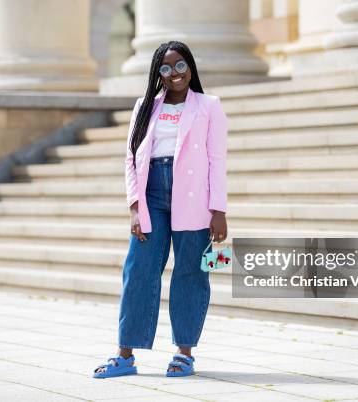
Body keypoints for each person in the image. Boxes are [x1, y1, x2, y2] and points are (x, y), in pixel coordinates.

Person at [93, 40, 228, 378]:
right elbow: (131, 157)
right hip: (152, 194)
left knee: (192, 273)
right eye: (166, 68)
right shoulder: (145, 106)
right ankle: (125, 355)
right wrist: (134, 206)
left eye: (180, 65)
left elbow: (217, 160)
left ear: (190, 67)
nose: (175, 73)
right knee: (138, 271)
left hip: (194, 197)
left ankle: (184, 353)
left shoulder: (209, 106)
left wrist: (219, 209)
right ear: (159, 73)